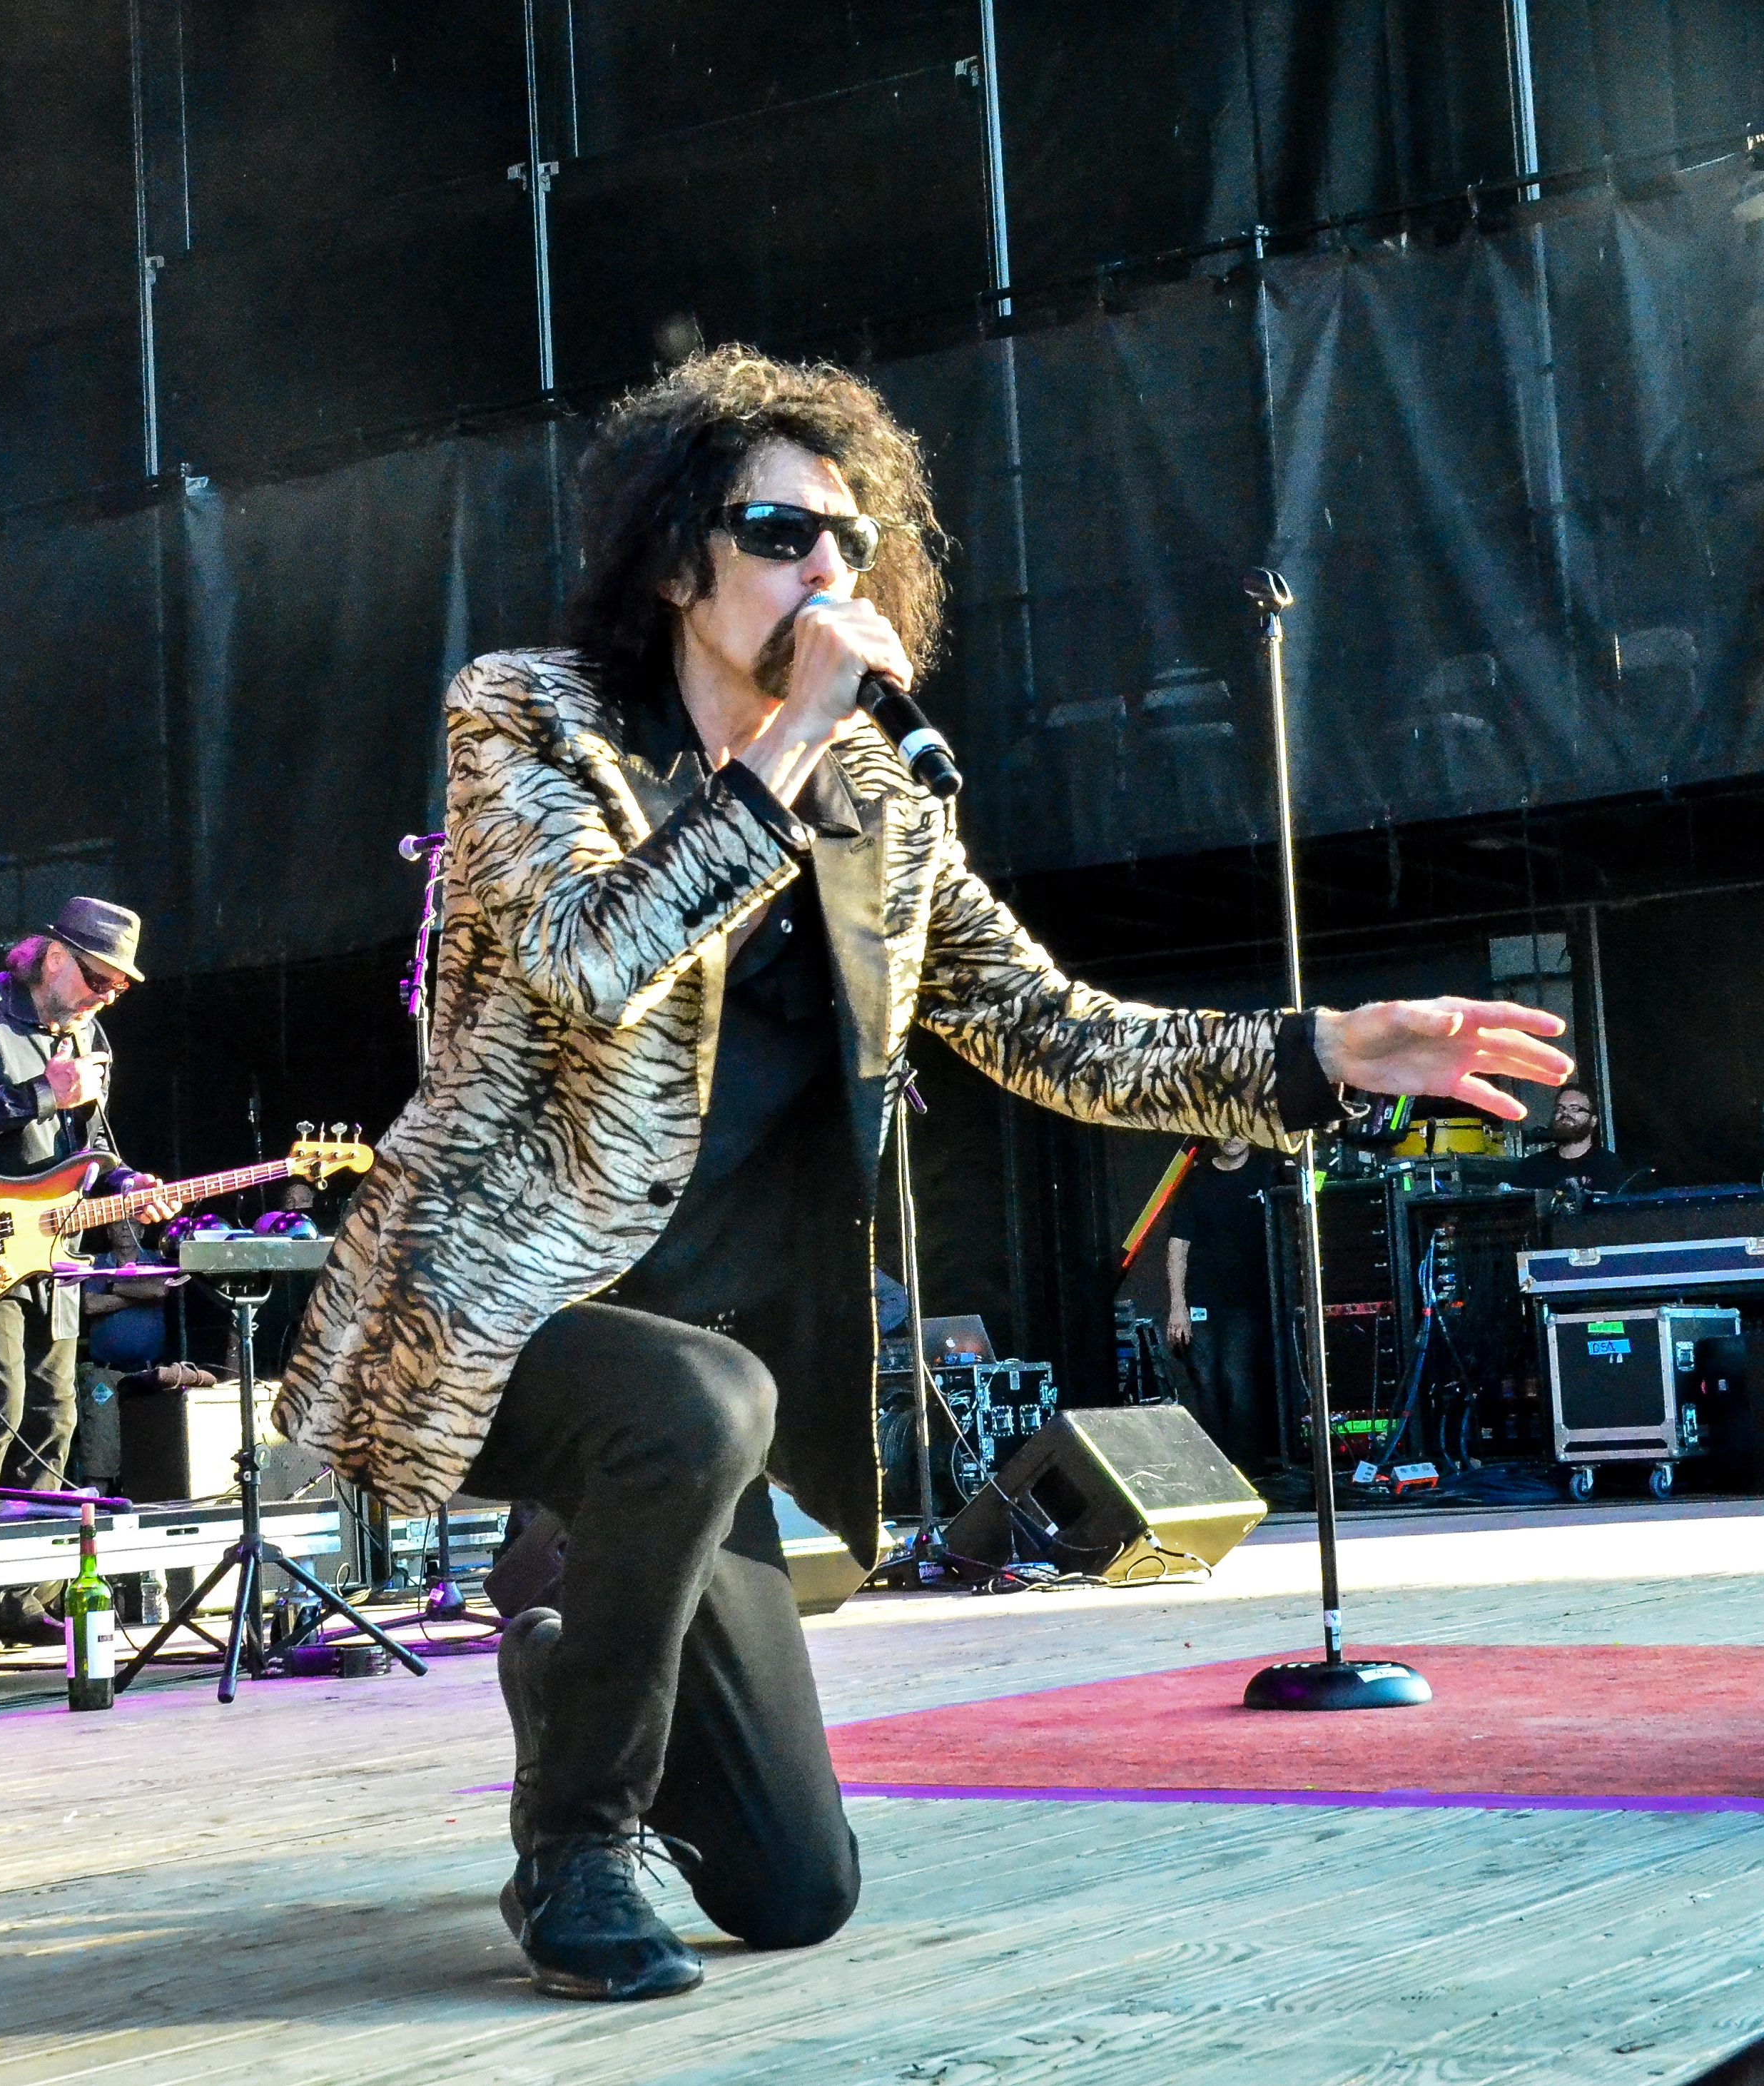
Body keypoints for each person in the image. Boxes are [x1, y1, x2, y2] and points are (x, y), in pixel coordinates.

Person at [274, 348, 1573, 2003]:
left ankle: (568, 1656)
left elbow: (1049, 1028)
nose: (829, 570)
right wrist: (794, 736)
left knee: (794, 1893)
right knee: (698, 1402)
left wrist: (1317, 1051)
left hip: (704, 1385)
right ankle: (574, 1841)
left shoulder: (874, 806)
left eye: (854, 539)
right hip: (488, 1320)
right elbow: (592, 959)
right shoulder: (533, 718)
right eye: (779, 534)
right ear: (675, 561)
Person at [0, 895, 168, 1649]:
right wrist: (40, 1093)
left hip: (53, 1247)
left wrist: (127, 1184)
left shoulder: (87, 1034)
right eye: (99, 979)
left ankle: (19, 1596)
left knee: (53, 1416)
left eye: (118, 988)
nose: (107, 996)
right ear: (54, 957)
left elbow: (92, 1148)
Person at [1166, 1135, 1282, 1471]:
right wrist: (1178, 1306)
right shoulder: (1198, 1180)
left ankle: (1247, 1465)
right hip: (1203, 1297)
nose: (1231, 1136)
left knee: (1236, 1375)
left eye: (1237, 1128)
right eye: (1224, 1128)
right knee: (1204, 1378)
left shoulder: (1267, 1171)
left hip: (1250, 1299)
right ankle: (1217, 1466)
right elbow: (1178, 1245)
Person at [1506, 1085, 1623, 1195]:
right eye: (1560, 1109)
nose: (1565, 1113)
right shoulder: (1531, 1167)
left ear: (1593, 1121)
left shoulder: (1609, 1166)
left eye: (1575, 1109)